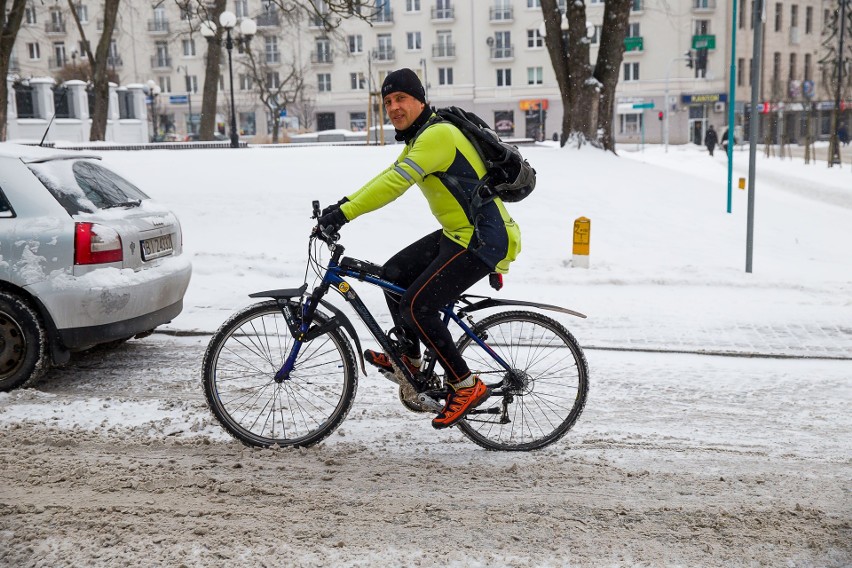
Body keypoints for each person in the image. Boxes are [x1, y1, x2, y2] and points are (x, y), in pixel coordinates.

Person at [317, 68, 521, 430]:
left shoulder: (438, 135)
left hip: (483, 238)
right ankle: (409, 359)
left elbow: (396, 184)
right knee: (392, 275)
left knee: (418, 305)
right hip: (460, 232)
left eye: (401, 99)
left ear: (420, 100)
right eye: (388, 102)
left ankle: (465, 384)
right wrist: (341, 205)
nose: (394, 107)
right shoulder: (421, 138)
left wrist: (345, 215)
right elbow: (386, 176)